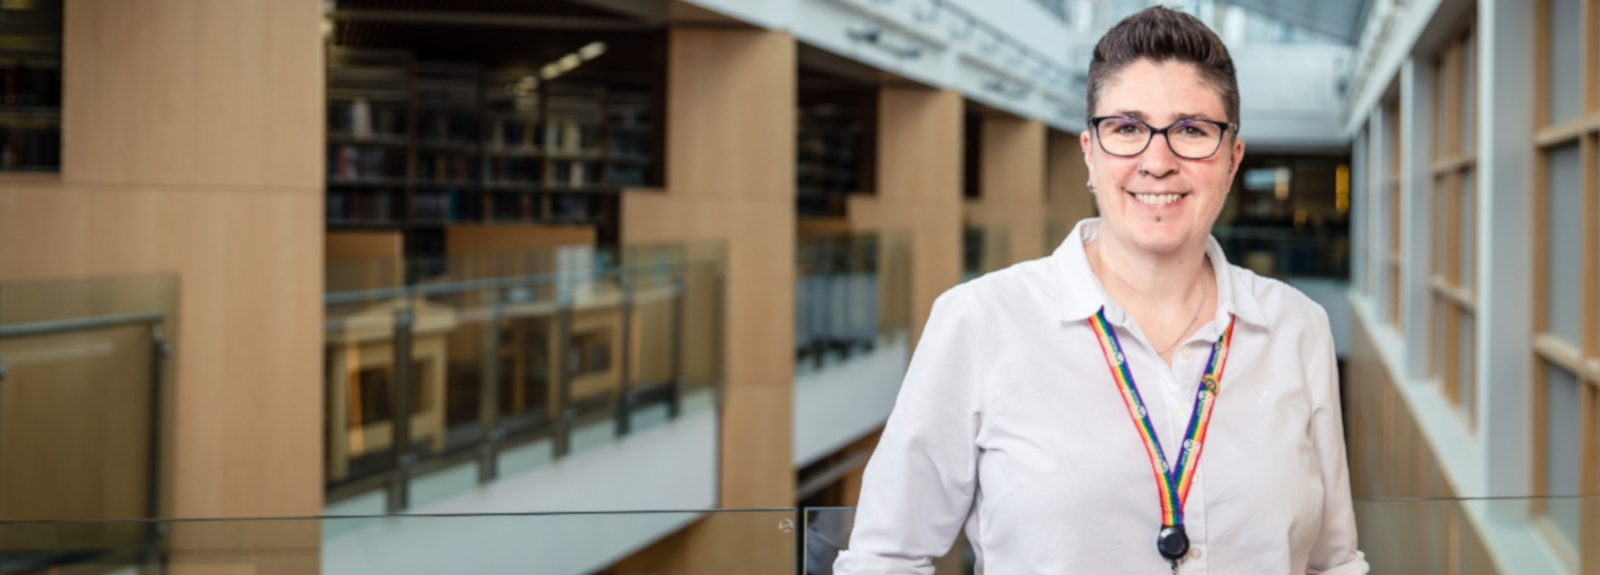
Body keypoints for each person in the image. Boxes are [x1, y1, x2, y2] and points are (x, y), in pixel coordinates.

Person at [832, 7, 1368, 574]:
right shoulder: (982, 322)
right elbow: (883, 558)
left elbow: (1333, 563)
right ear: (1089, 152)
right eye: (1127, 128)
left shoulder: (1296, 327)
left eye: (1191, 130)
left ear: (1232, 160)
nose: (1157, 162)